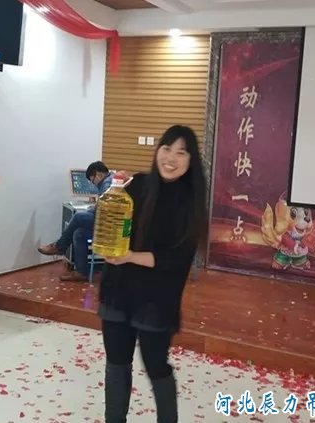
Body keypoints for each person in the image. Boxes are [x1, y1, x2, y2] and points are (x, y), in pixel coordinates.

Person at [98, 125, 207, 422]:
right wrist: (113, 193)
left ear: (191, 160)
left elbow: (176, 259)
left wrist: (131, 256)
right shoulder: (138, 185)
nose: (171, 158)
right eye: (166, 149)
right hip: (119, 289)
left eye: (181, 152)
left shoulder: (191, 202)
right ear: (158, 150)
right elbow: (113, 224)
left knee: (156, 365)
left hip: (157, 299)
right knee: (116, 363)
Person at [38, 161, 114, 281]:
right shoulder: (109, 181)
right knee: (79, 233)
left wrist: (92, 209)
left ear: (98, 174)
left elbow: (103, 210)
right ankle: (81, 272)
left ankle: (59, 247)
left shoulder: (107, 183)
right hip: (106, 223)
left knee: (78, 217)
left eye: (92, 180)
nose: (93, 184)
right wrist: (92, 208)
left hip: (108, 226)